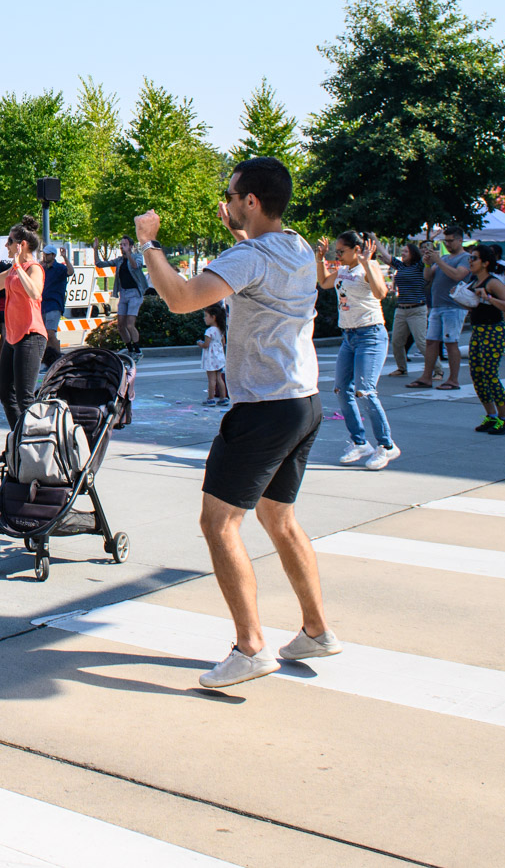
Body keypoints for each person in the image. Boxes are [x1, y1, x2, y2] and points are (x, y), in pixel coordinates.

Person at [131, 158, 335, 691]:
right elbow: (256, 271)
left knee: (219, 523)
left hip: (262, 408)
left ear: (249, 201)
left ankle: (250, 647)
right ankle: (315, 630)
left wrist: (149, 244)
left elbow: (179, 300)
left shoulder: (249, 255)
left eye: (232, 193)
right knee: (280, 519)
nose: (227, 198)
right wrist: (239, 233)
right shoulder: (296, 246)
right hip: (303, 400)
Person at [318, 231, 399, 469]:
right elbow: (324, 283)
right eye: (337, 251)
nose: (338, 255)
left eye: (341, 251)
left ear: (356, 249)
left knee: (366, 391)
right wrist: (319, 258)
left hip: (370, 334)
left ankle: (387, 446)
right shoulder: (343, 270)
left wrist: (366, 263)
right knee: (342, 390)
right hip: (349, 335)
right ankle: (359, 443)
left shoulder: (368, 266)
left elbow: (381, 293)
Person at [0, 218, 46, 427]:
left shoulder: (33, 268)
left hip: (31, 336)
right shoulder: (14, 270)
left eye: (9, 241)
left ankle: (36, 442)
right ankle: (20, 439)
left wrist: (18, 265)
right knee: (6, 394)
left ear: (21, 245)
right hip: (13, 338)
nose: (5, 245)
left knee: (24, 397)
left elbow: (34, 292)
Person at [462, 246, 505, 433]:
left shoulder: (493, 283)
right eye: (470, 258)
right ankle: (491, 416)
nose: (470, 261)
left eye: (474, 258)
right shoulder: (473, 280)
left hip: (493, 331)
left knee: (490, 375)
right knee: (477, 375)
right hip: (478, 331)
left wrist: (489, 298)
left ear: (485, 263)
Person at [409, 226, 471, 390]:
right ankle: (426, 376)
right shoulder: (444, 257)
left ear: (460, 240)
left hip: (454, 307)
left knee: (451, 343)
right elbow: (427, 277)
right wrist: (428, 264)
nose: (448, 244)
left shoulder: (465, 258)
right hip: (437, 305)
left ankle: (453, 379)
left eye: (451, 241)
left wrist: (439, 261)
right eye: (446, 241)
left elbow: (458, 275)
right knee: (431, 342)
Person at [385, 241, 428, 377]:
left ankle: (437, 369)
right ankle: (402, 368)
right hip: (401, 309)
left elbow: (427, 263)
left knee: (421, 342)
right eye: (402, 251)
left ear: (413, 254)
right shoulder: (401, 266)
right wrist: (374, 239)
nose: (402, 254)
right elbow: (387, 256)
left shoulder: (419, 266)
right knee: (396, 342)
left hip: (417, 309)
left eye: (405, 251)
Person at [99, 237, 149, 351]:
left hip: (135, 294)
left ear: (131, 246)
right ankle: (130, 349)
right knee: (121, 325)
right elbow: (100, 264)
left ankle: (137, 349)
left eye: (125, 244)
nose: (122, 247)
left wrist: (128, 254)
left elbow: (136, 266)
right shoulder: (119, 260)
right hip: (123, 293)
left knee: (130, 324)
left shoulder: (137, 257)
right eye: (121, 245)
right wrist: (96, 249)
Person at [39, 245, 71, 359]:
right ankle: (49, 359)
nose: (45, 256)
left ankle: (59, 359)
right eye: (44, 254)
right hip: (43, 305)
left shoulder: (59, 268)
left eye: (47, 254)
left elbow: (70, 271)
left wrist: (65, 258)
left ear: (53, 255)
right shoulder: (43, 269)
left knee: (50, 333)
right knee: (45, 335)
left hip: (54, 304)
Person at [199, 304, 228, 406]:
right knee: (219, 378)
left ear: (213, 317)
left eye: (206, 316)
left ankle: (210, 399)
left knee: (211, 379)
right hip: (219, 358)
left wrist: (200, 344)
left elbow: (206, 345)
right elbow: (223, 343)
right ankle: (223, 398)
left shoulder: (209, 331)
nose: (204, 318)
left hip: (211, 359)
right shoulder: (221, 330)